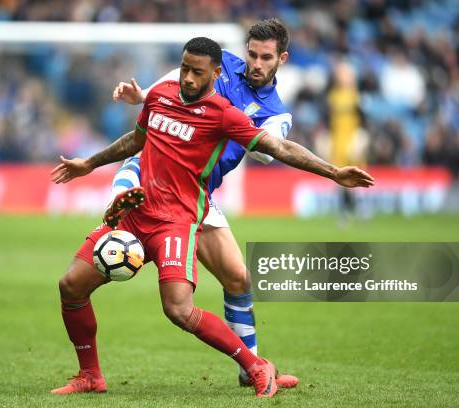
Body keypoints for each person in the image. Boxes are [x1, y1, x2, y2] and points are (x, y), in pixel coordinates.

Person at [49, 37, 374, 399]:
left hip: (178, 219)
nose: (187, 78)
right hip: (137, 213)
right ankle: (90, 375)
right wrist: (88, 163)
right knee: (70, 286)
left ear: (214, 74)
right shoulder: (162, 96)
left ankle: (254, 366)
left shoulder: (224, 114)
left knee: (179, 308)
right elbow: (135, 141)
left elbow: (279, 148)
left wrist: (333, 172)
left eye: (196, 72)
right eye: (184, 68)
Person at [108, 18, 299, 387]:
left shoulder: (276, 112)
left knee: (238, 278)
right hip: (164, 170)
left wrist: (235, 121)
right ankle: (120, 201)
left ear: (282, 59)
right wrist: (145, 93)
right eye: (252, 54)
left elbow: (267, 154)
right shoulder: (221, 61)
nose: (256, 64)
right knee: (140, 160)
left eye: (266, 58)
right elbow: (178, 76)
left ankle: (250, 369)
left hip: (197, 193)